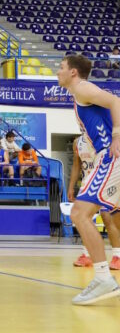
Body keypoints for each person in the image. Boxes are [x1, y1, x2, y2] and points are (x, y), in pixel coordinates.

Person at [56, 54, 120, 304]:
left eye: (61, 67)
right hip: (105, 158)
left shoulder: (82, 87)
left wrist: (116, 136)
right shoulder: (79, 95)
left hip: (110, 157)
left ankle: (103, 278)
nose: (57, 71)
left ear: (73, 72)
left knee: (79, 214)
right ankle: (103, 276)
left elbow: (116, 101)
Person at [69, 133, 120, 270]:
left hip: (105, 182)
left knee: (107, 217)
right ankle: (86, 255)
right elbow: (76, 165)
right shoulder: (77, 142)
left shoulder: (104, 139)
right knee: (83, 218)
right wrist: (71, 186)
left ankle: (117, 255)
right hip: (87, 184)